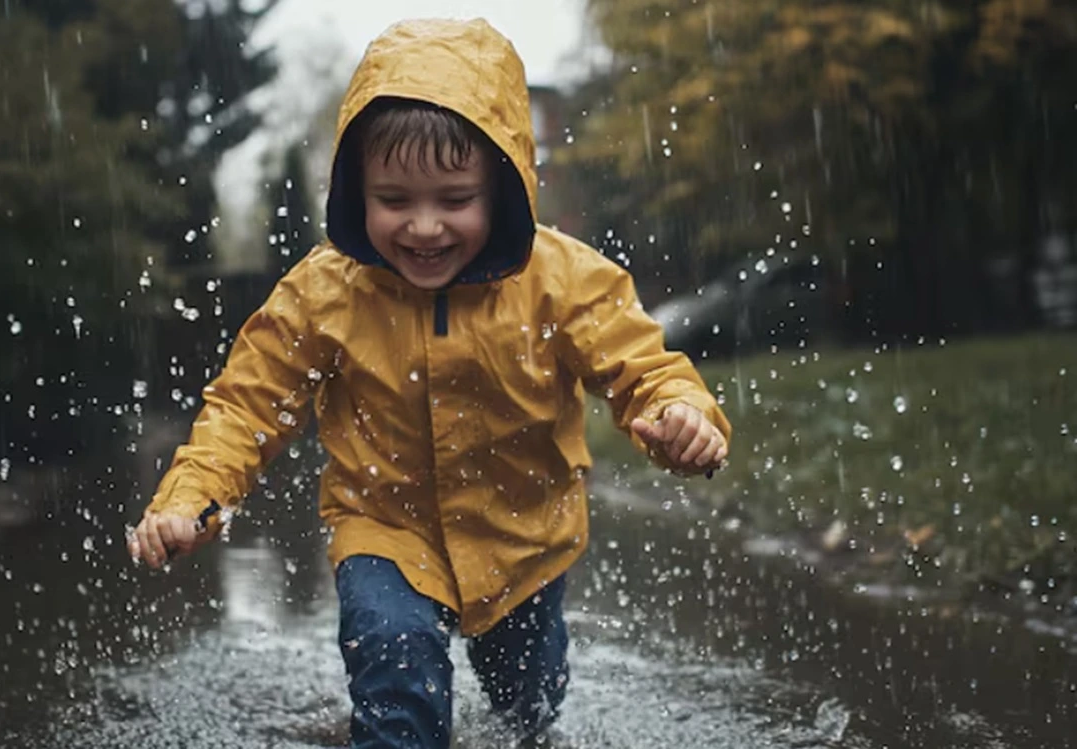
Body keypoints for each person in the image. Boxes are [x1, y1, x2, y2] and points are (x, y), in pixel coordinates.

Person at [127, 17, 731, 749]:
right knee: (394, 663)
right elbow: (247, 403)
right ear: (357, 191)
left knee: (525, 710)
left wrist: (681, 417)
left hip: (524, 536)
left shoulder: (562, 280)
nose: (422, 227)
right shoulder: (327, 291)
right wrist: (192, 497)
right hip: (384, 526)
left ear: (502, 190)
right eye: (393, 199)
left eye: (454, 199)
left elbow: (643, 367)